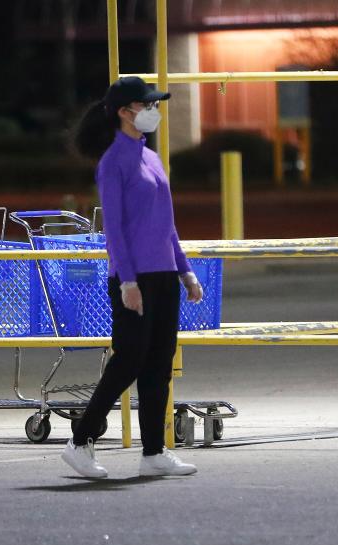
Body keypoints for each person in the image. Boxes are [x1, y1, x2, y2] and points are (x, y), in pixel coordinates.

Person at [62, 76, 203, 479]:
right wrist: (127, 283)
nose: (153, 111)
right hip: (134, 276)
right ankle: (80, 441)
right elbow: (116, 231)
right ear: (125, 112)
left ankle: (153, 452)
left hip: (163, 275)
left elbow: (167, 224)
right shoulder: (113, 163)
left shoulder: (151, 158)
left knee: (159, 364)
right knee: (128, 361)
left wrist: (185, 270)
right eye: (147, 105)